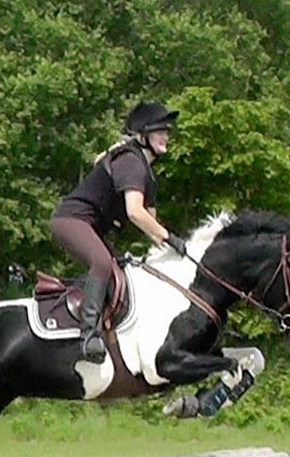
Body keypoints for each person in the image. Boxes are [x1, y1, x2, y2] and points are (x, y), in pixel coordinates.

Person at [51, 101, 188, 364]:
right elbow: (135, 212)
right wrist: (169, 237)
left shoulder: (147, 175)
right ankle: (88, 335)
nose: (166, 136)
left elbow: (151, 227)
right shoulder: (131, 161)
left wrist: (178, 252)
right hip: (71, 220)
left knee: (120, 271)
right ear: (143, 135)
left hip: (90, 227)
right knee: (102, 263)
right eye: (160, 130)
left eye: (167, 131)